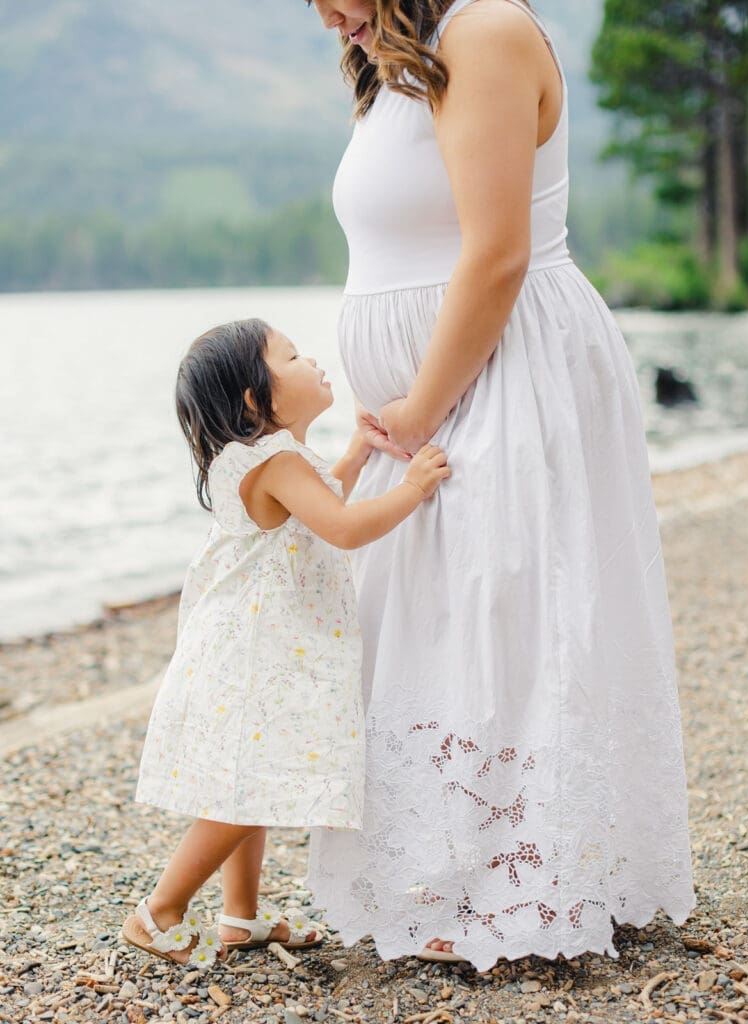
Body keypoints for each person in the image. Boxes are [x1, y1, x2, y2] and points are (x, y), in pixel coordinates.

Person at [304, 0, 696, 970]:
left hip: (502, 369)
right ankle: (451, 874)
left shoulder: (484, 30)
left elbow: (496, 252)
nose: (323, 15)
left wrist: (424, 403)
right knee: (447, 618)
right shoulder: (401, 58)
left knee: (506, 610)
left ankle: (529, 885)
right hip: (438, 395)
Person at [121, 318, 450, 967]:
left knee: (250, 782)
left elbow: (318, 502)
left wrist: (359, 450)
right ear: (255, 401)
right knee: (252, 788)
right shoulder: (275, 462)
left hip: (244, 646)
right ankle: (158, 911)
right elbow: (345, 528)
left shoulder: (262, 463)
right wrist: (413, 488)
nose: (314, 361)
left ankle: (240, 917)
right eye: (292, 356)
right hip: (260, 655)